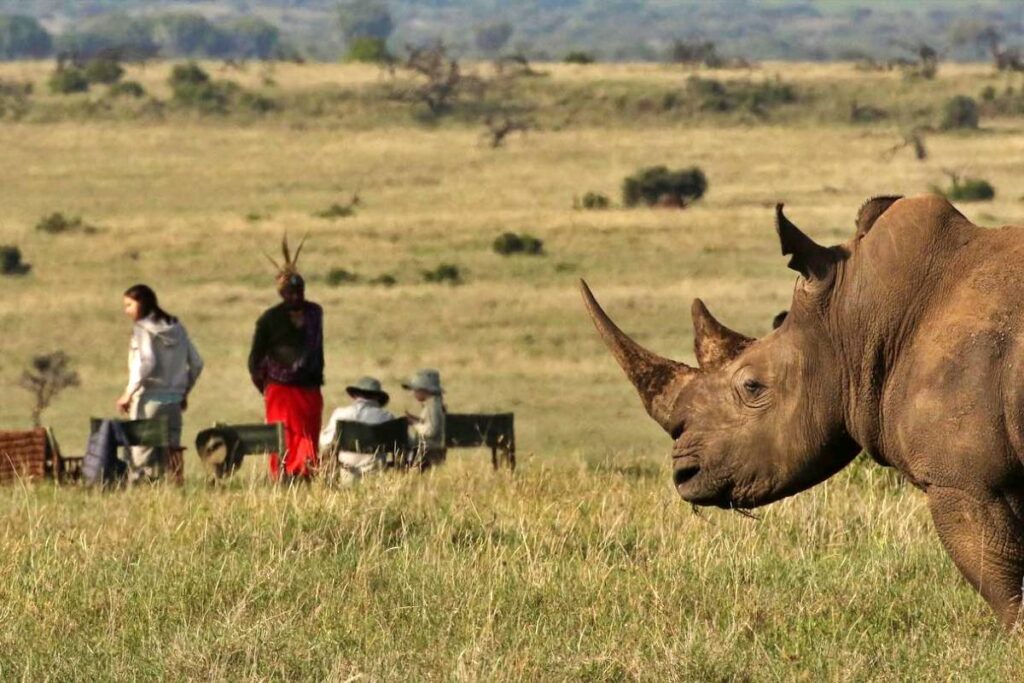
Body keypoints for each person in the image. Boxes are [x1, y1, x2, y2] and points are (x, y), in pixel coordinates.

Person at [248, 234, 324, 482]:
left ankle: (307, 475)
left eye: (299, 291)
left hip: (310, 387)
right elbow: (255, 360)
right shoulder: (269, 319)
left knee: (308, 436)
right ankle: (285, 477)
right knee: (285, 438)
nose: (295, 296)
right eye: (290, 292)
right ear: (282, 293)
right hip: (281, 390)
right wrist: (267, 388)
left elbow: (316, 349)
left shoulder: (314, 313)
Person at [116, 284, 203, 484]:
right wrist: (183, 392)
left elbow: (147, 362)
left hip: (148, 401)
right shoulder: (178, 328)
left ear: (142, 304)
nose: (126, 310)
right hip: (173, 403)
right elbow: (197, 363)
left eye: (129, 305)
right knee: (171, 459)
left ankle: (140, 502)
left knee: (140, 459)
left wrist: (128, 394)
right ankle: (174, 500)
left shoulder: (142, 329)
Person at [319, 376, 396, 478]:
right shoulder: (388, 417)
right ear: (378, 397)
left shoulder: (341, 414)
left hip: (346, 472)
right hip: (376, 472)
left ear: (355, 395)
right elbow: (403, 444)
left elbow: (325, 442)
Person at [403, 368, 446, 469]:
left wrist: (414, 423)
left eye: (416, 390)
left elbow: (431, 431)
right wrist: (417, 420)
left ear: (425, 390)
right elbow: (431, 423)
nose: (414, 393)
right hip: (432, 447)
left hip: (430, 448)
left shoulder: (433, 406)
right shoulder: (434, 403)